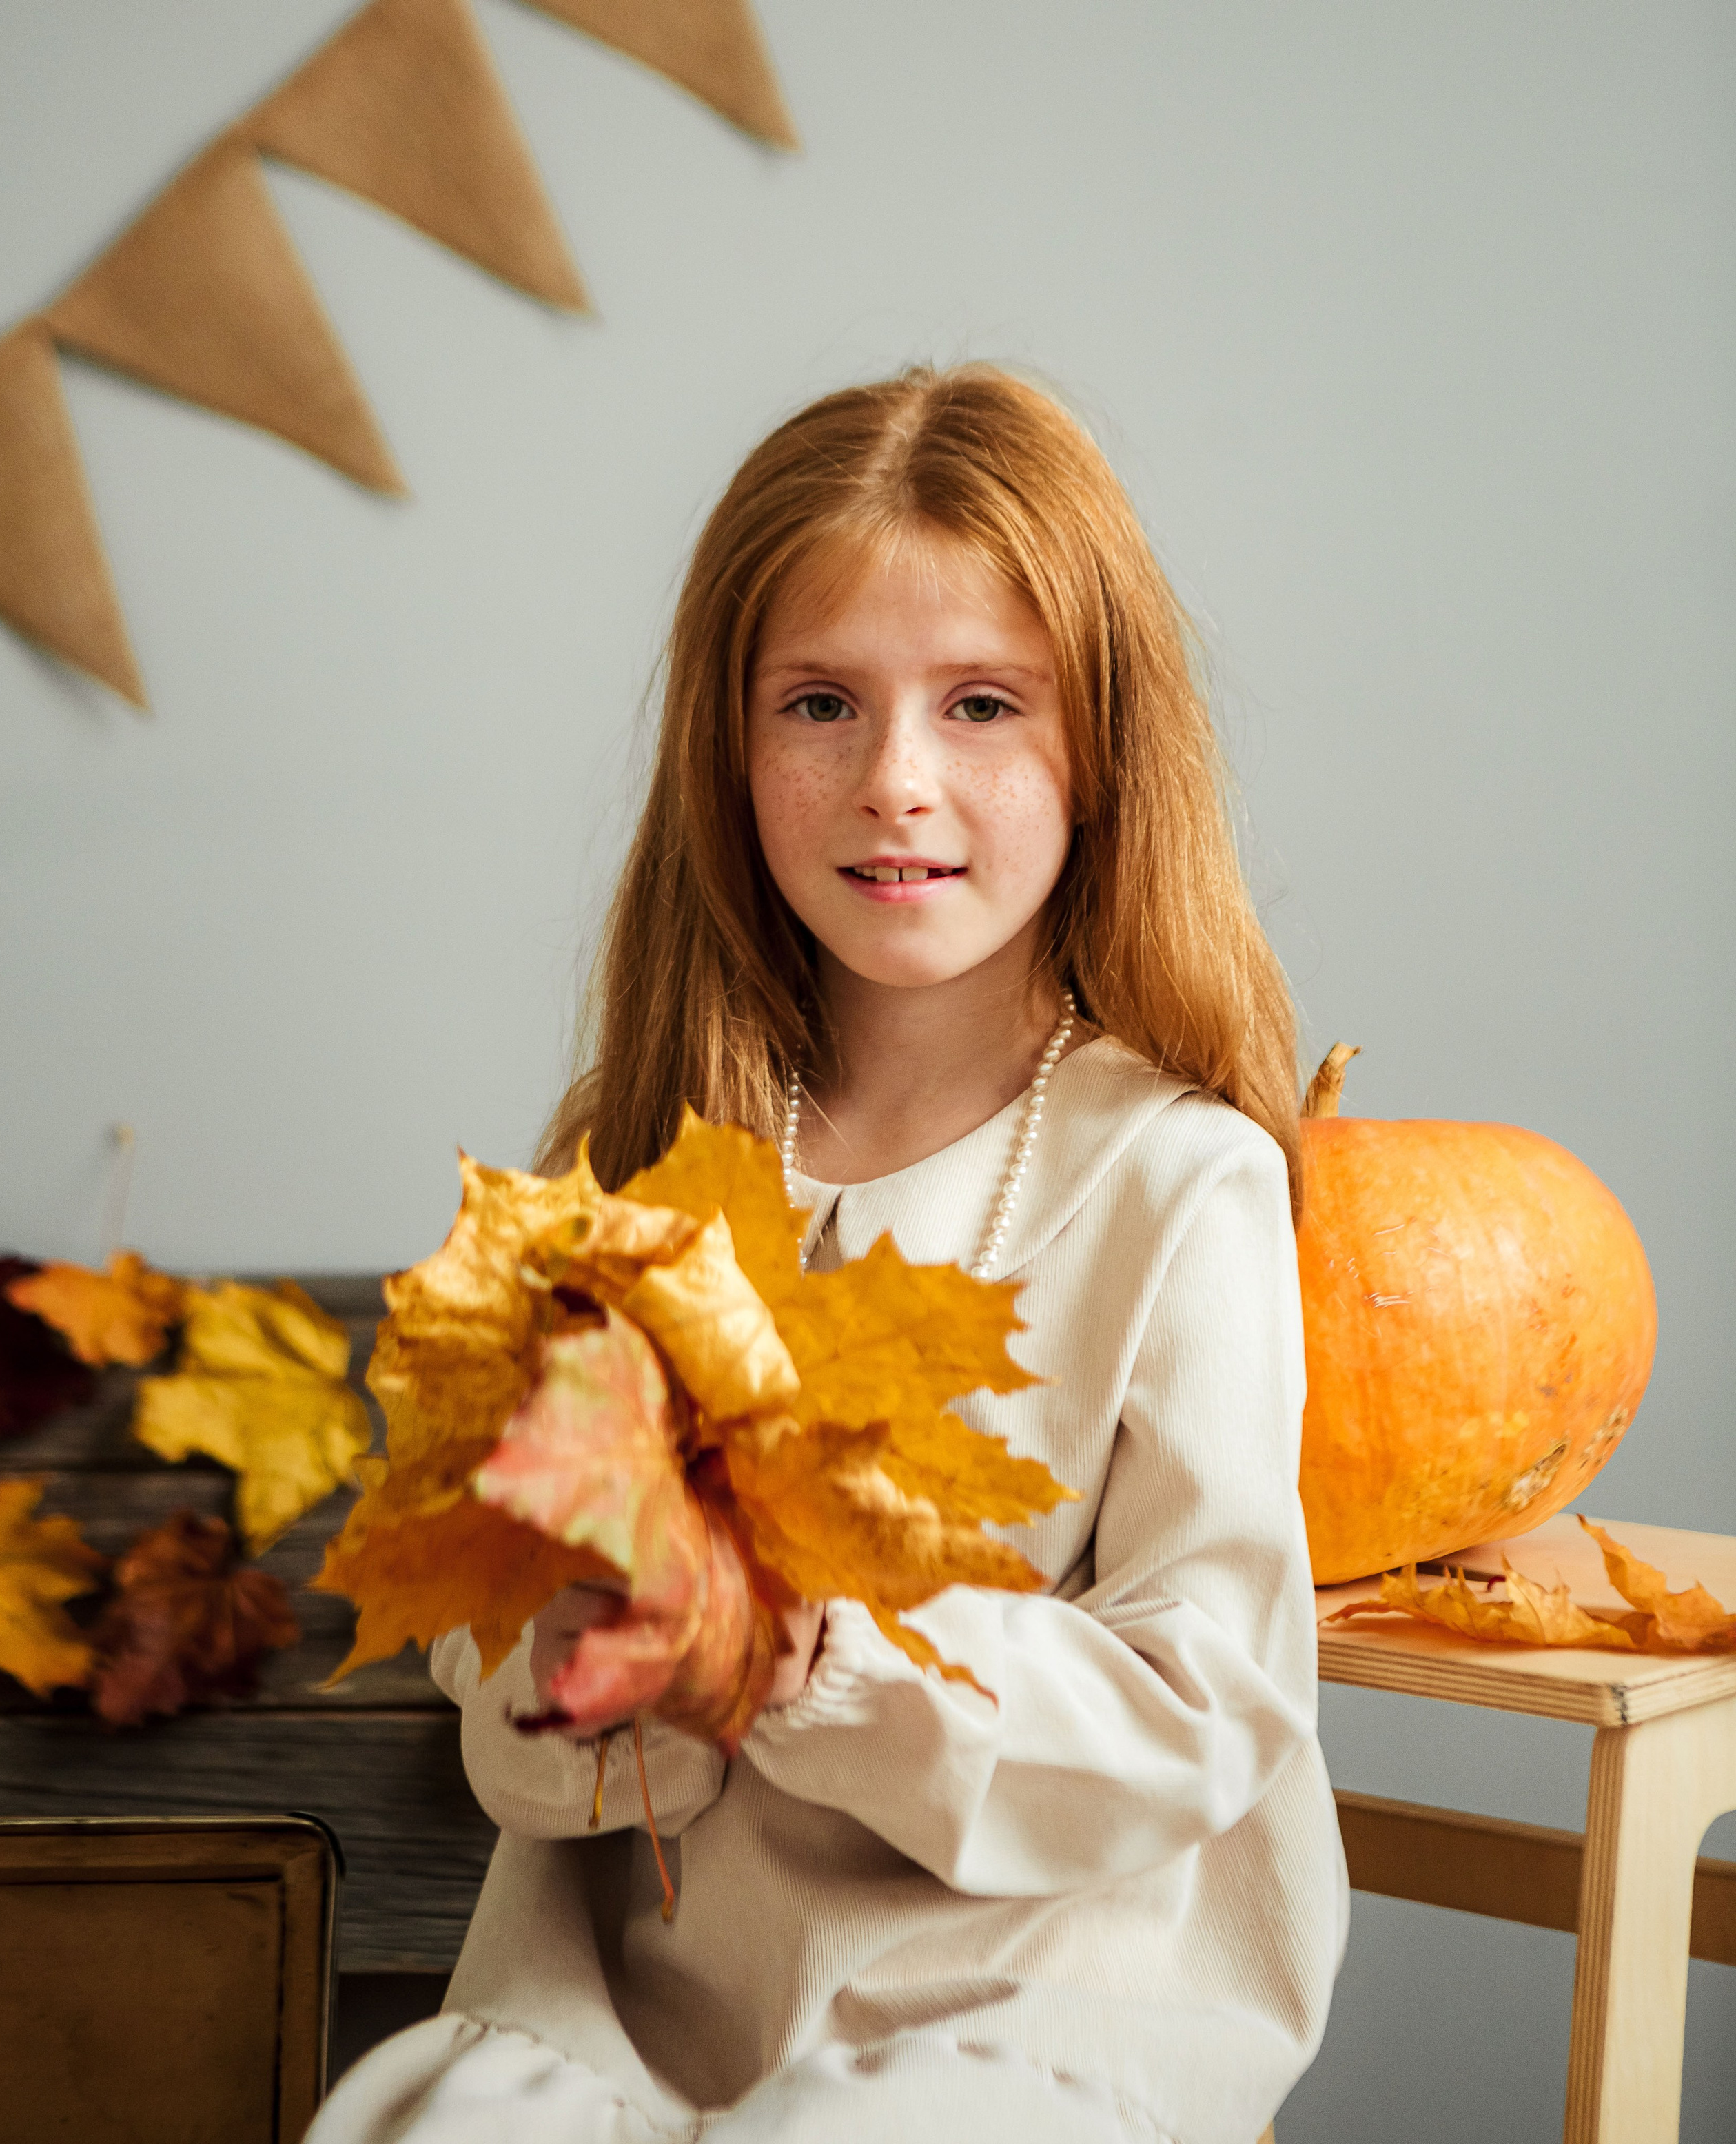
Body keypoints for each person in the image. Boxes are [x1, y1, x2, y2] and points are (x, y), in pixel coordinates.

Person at [310, 365, 1346, 2144]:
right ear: (731, 744)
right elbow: (490, 1686)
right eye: (821, 704)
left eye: (982, 706)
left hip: (1040, 2010)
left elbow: (1207, 1692)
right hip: (628, 2017)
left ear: (1099, 748)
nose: (897, 783)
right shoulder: (627, 1174)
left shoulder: (1183, 1184)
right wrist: (576, 1654)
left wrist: (815, 1658)